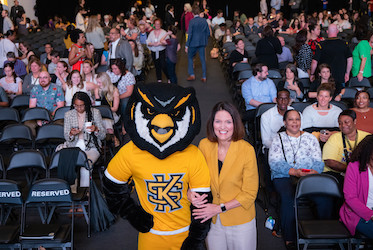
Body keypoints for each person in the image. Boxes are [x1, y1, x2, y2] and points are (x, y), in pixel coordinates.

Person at [189, 101, 258, 250]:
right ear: (212, 123)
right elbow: (195, 178)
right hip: (212, 220)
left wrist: (218, 208)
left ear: (235, 124)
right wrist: (190, 191)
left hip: (240, 220)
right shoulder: (204, 145)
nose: (222, 127)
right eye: (218, 121)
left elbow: (250, 193)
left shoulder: (247, 150)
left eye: (228, 122)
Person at [269, 109, 326, 248]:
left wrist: (314, 171)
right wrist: (294, 172)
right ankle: (289, 238)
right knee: (288, 198)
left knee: (324, 198)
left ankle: (323, 235)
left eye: (297, 119)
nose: (295, 122)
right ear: (285, 122)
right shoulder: (278, 138)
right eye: (291, 119)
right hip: (285, 176)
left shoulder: (310, 138)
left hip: (308, 175)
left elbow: (319, 161)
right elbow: (274, 162)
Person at [64, 91, 105, 188]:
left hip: (91, 146)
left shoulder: (95, 113)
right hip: (74, 146)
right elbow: (66, 136)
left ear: (86, 104)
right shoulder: (68, 115)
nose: (79, 108)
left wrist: (96, 129)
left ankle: (86, 193)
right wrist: (71, 133)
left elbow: (103, 136)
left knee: (85, 166)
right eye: (76, 106)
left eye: (81, 106)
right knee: (70, 165)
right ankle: (71, 193)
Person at [323, 110, 370, 183]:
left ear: (354, 121)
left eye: (346, 122)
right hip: (336, 174)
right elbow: (329, 162)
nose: (343, 125)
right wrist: (352, 171)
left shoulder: (367, 137)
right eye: (340, 123)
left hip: (361, 174)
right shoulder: (334, 138)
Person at [340, 135, 373, 238]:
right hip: (358, 214)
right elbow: (350, 198)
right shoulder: (354, 167)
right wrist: (371, 214)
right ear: (369, 152)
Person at [27, 71, 65, 136]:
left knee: (62, 123)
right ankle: (35, 144)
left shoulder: (57, 88)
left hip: (54, 116)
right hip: (39, 115)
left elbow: (60, 106)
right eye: (40, 78)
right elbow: (32, 106)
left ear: (50, 79)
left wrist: (50, 117)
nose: (42, 80)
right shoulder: (34, 89)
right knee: (28, 124)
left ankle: (56, 143)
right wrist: (38, 118)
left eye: (45, 77)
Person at [185, 5, 210, 82]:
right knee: (203, 59)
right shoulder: (204, 21)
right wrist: (204, 39)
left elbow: (190, 34)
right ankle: (204, 76)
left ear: (192, 13)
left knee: (190, 58)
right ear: (199, 12)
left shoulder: (192, 21)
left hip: (193, 43)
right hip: (202, 43)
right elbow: (208, 33)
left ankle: (192, 75)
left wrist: (187, 45)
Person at [146, 18, 169, 82]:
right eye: (156, 24)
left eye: (158, 24)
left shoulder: (164, 32)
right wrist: (152, 44)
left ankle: (169, 77)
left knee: (163, 65)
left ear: (161, 25)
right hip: (154, 51)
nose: (157, 25)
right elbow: (148, 42)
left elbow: (168, 42)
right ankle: (159, 79)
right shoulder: (151, 33)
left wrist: (160, 43)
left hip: (162, 51)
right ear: (154, 25)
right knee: (157, 66)